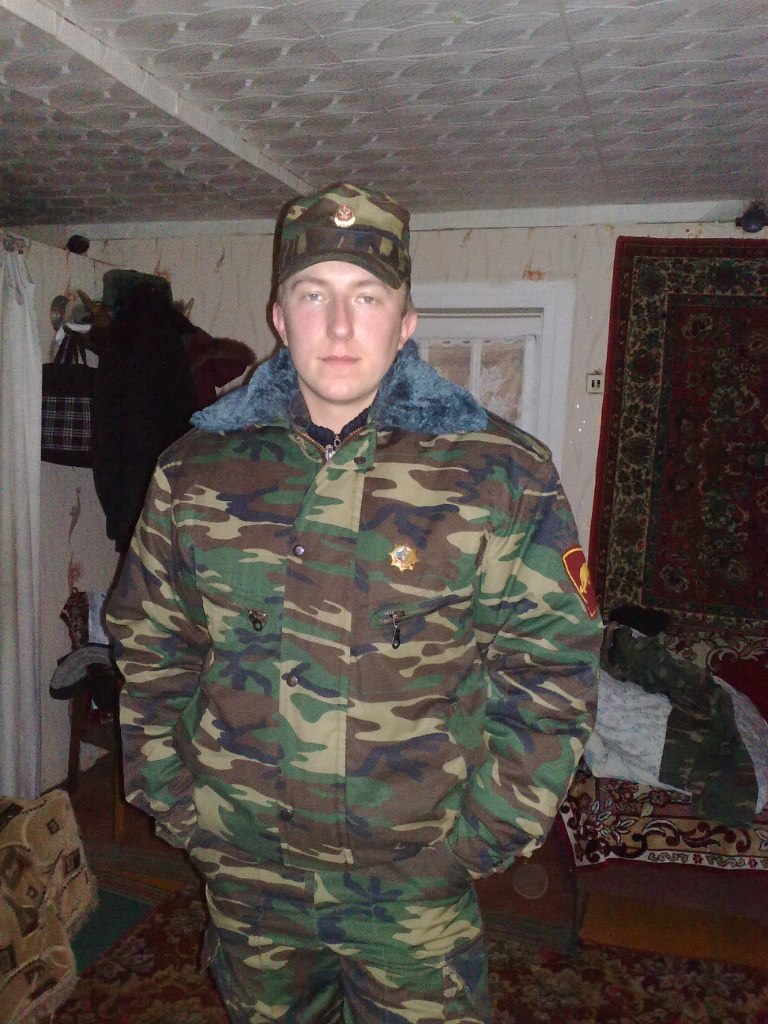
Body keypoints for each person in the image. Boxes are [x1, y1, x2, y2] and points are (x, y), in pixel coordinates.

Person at [107, 182, 601, 1024]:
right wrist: (182, 806)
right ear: (279, 316)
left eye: (367, 297)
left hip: (413, 886)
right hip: (249, 878)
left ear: (406, 322)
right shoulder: (194, 472)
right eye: (314, 295)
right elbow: (151, 646)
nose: (339, 325)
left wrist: (478, 838)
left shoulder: (501, 475)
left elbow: (551, 671)